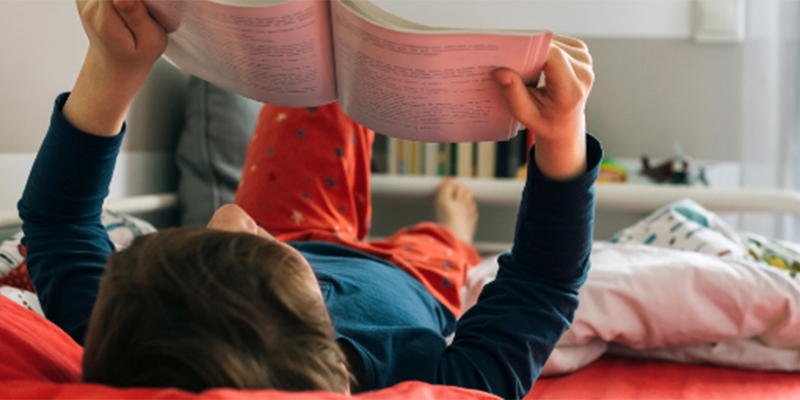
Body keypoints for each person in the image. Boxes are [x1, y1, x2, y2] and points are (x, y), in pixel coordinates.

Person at [18, 0, 600, 399]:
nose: (231, 212)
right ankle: (453, 229)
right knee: (442, 246)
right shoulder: (431, 376)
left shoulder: (130, 331)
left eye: (198, 240)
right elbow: (543, 285)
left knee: (319, 82)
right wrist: (560, 135)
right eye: (236, 245)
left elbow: (57, 221)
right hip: (417, 278)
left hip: (296, 230)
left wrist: (114, 64)